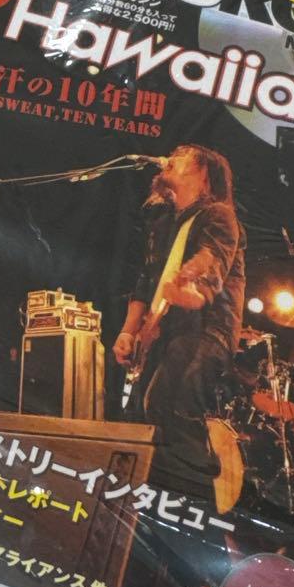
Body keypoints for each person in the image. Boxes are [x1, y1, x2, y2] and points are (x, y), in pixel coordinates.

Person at [113, 144, 246, 503]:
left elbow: (211, 260)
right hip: (164, 331)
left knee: (171, 411)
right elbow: (146, 281)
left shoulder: (218, 215)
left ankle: (195, 505)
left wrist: (192, 289)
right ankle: (151, 502)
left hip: (204, 330)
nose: (171, 155)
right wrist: (128, 331)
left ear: (204, 176)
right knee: (141, 417)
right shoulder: (163, 223)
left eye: (184, 154)